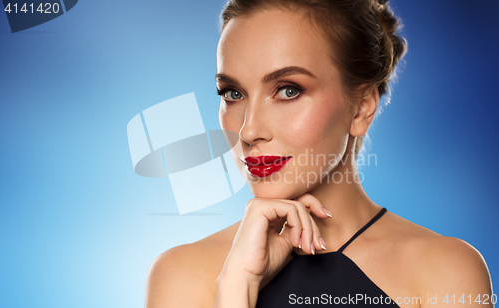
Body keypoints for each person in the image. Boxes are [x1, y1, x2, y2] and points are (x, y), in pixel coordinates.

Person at [144, 0, 494, 307]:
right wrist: (237, 287)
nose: (248, 131)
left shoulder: (448, 271)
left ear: (361, 108)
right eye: (233, 93)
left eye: (288, 90)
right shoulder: (181, 274)